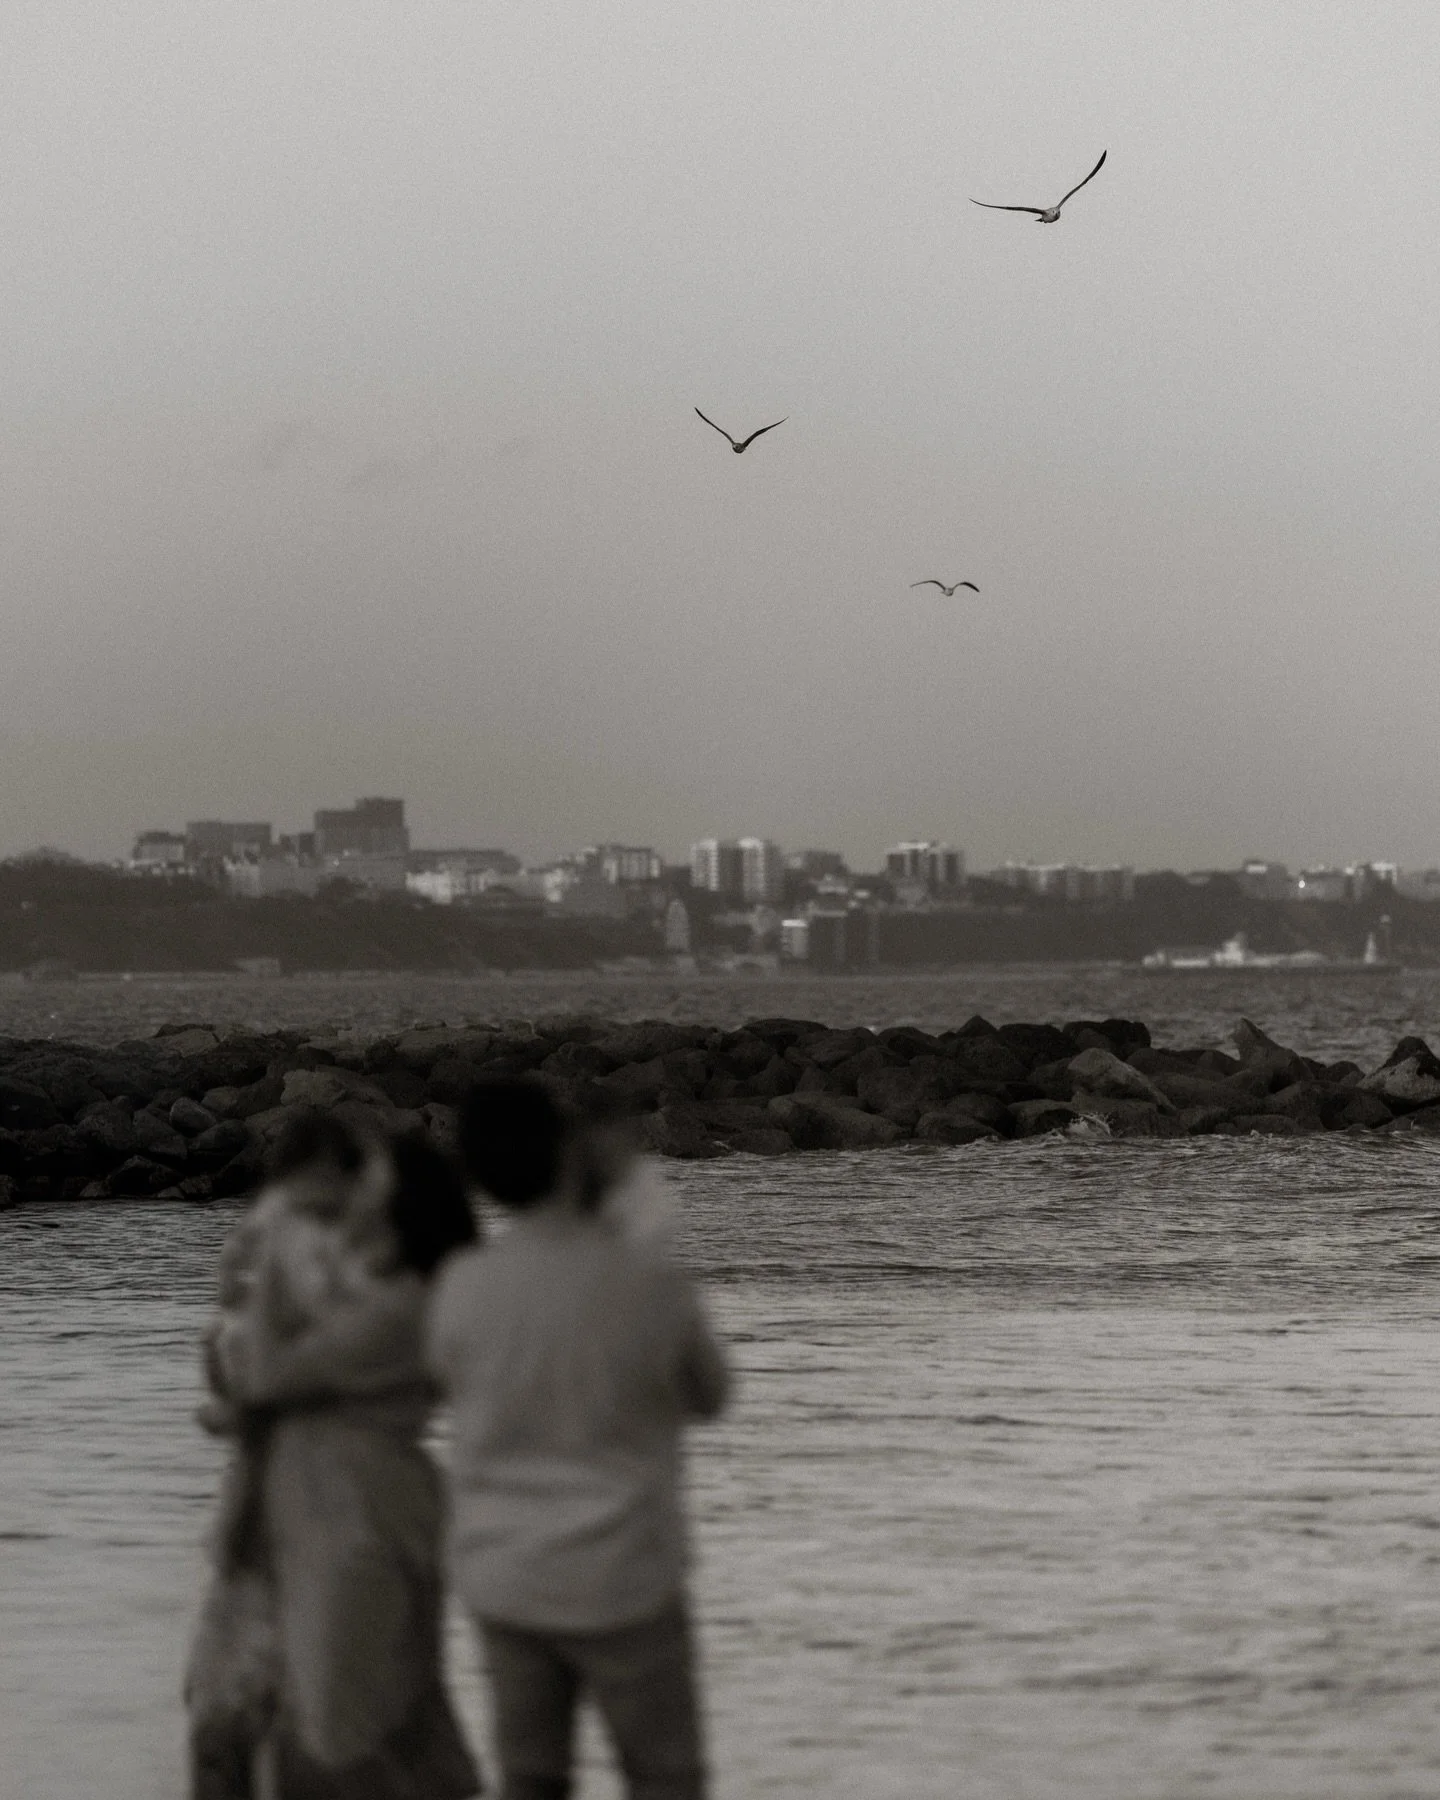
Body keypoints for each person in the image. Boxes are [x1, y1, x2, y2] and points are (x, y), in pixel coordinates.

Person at [427, 1079, 731, 1800]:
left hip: (504, 1574)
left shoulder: (462, 1285)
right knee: (664, 1778)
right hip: (624, 1572)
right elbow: (710, 1395)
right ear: (567, 1155)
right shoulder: (647, 1281)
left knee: (531, 1781)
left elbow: (448, 1385)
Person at [187, 1115, 482, 1800]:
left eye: (366, 1188)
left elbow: (256, 1377)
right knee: (335, 1727)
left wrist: (274, 1239)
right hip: (320, 1509)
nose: (350, 1202)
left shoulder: (400, 1304)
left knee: (335, 1738)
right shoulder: (370, 1292)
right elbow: (243, 1382)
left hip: (348, 1516)